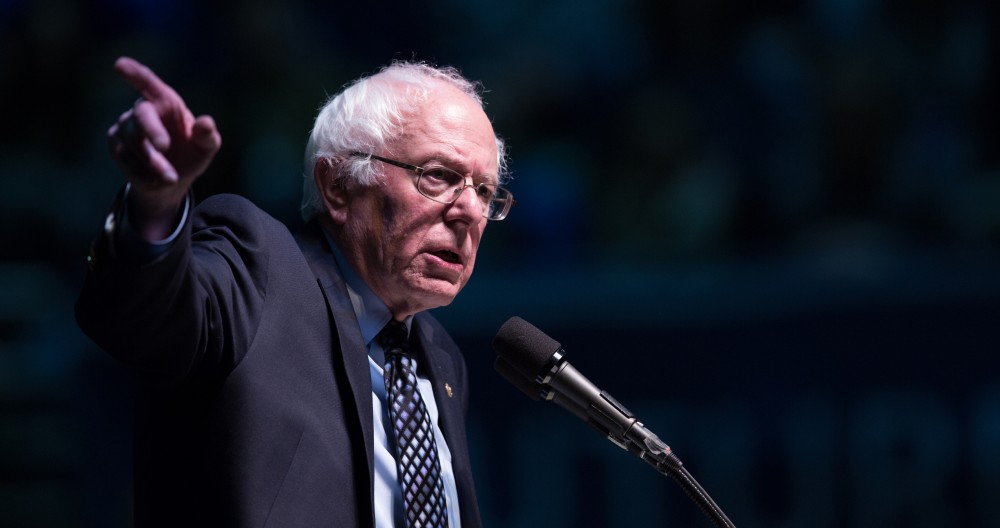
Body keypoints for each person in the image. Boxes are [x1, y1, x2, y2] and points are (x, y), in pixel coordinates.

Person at [76, 56, 514, 528]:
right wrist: (155, 206)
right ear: (338, 185)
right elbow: (138, 317)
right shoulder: (257, 267)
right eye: (439, 176)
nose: (470, 211)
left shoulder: (441, 358)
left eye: (485, 191)